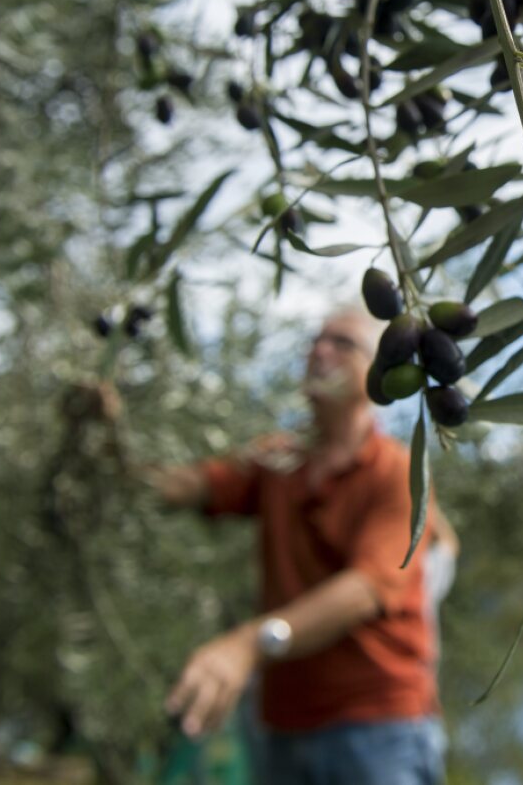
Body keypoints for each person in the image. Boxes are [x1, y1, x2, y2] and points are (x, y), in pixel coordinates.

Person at [133, 307, 451, 785]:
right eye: (316, 340)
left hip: (378, 722)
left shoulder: (396, 472)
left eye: (342, 343)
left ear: (378, 371)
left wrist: (249, 643)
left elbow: (365, 590)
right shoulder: (278, 460)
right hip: (284, 724)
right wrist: (110, 445)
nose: (319, 350)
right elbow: (190, 486)